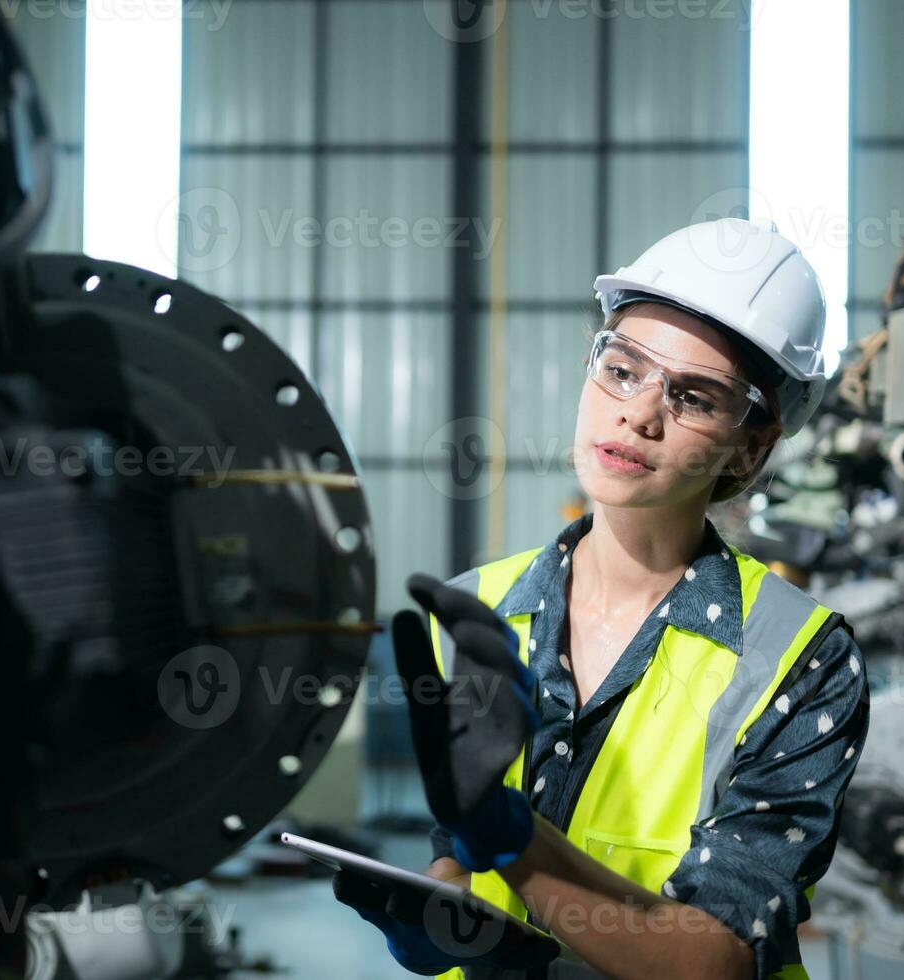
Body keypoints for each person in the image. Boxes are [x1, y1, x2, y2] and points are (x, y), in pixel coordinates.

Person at [334, 219, 870, 980]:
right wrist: (438, 908)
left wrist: (511, 838)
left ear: (749, 447)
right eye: (622, 370)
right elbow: (456, 850)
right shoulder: (476, 608)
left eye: (692, 396)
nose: (639, 414)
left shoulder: (800, 656)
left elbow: (713, 959)